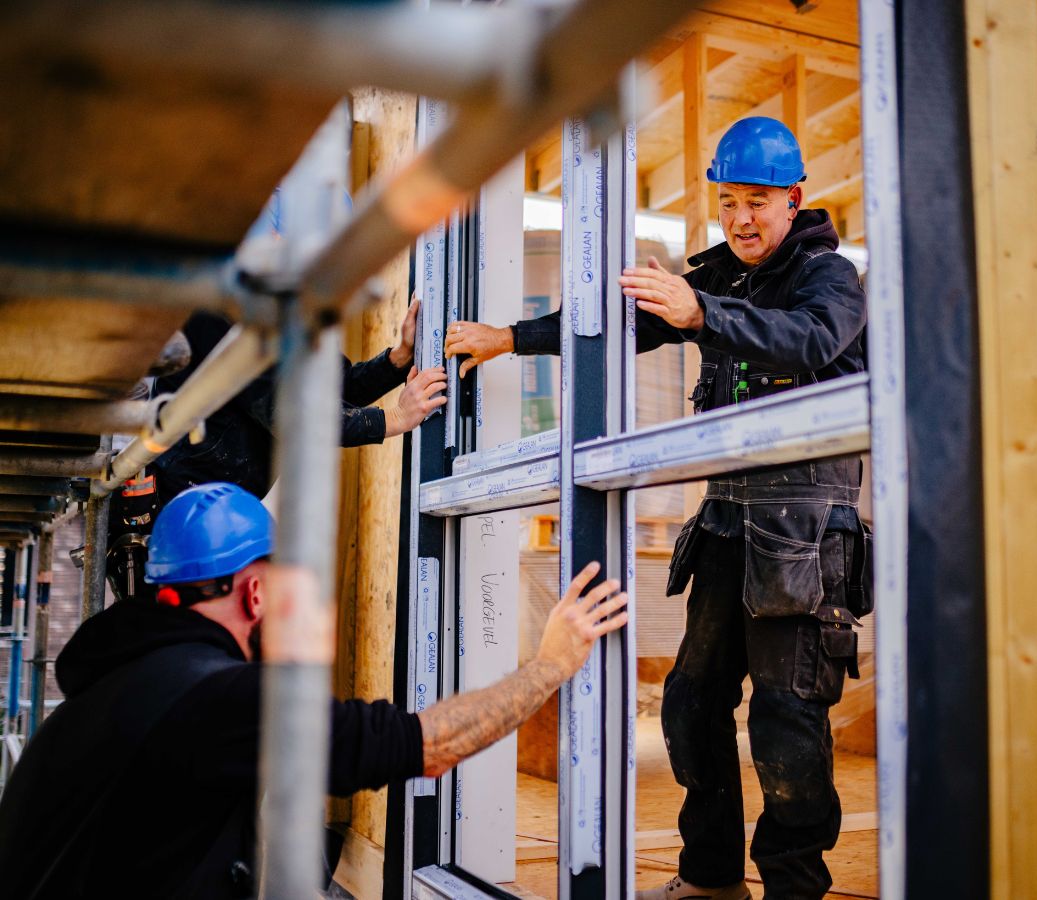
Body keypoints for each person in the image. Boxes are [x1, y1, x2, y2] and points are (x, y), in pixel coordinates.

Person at [445, 117, 870, 899]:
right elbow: (617, 329)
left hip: (805, 541)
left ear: (794, 200)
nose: (741, 218)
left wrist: (699, 313)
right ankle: (711, 879)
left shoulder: (830, 278)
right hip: (728, 527)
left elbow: (812, 341)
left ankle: (795, 888)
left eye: (759, 201)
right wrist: (509, 337)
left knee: (787, 724)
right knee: (690, 705)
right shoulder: (720, 278)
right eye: (728, 201)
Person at [0, 482, 627, 898]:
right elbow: (430, 744)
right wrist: (551, 664)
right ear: (254, 593)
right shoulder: (219, 699)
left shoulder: (120, 678)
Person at [107, 299, 447, 602]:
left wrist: (395, 361)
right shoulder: (224, 320)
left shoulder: (284, 313)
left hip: (224, 506)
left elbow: (331, 387)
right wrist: (393, 418)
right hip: (187, 520)